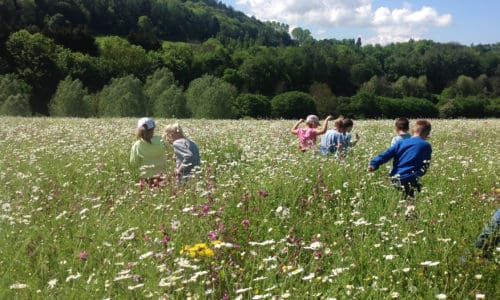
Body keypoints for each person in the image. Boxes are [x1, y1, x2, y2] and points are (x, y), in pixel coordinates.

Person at [368, 119, 432, 199]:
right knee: (412, 199)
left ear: (412, 131)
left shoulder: (400, 143)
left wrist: (374, 164)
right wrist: (419, 173)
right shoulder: (426, 145)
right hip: (411, 178)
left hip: (396, 177)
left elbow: (387, 154)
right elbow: (426, 164)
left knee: (401, 198)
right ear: (427, 134)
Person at [130, 117, 168, 190]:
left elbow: (133, 163)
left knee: (145, 200)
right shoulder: (160, 140)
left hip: (145, 177)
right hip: (161, 176)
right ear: (153, 129)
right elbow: (171, 150)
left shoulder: (137, 145)